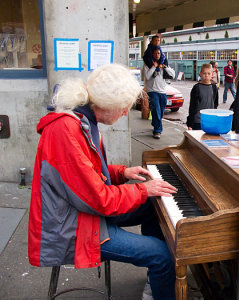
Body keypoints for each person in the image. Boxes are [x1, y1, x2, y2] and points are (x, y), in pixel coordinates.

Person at [28, 63, 177, 300]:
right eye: (124, 106)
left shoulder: (81, 118)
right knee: (163, 255)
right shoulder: (66, 130)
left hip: (84, 212)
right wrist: (141, 189)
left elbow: (83, 174)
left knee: (154, 206)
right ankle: (160, 274)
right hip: (74, 227)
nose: (126, 112)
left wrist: (120, 172)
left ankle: (157, 280)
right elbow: (99, 199)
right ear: (108, 103)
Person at [144, 48, 175, 139]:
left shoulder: (164, 64)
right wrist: (154, 66)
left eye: (159, 53)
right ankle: (157, 131)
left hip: (162, 91)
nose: (157, 55)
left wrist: (164, 67)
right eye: (155, 53)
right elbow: (147, 76)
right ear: (152, 55)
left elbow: (173, 75)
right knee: (156, 110)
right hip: (152, 91)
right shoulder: (148, 64)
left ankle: (155, 123)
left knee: (161, 111)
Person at [187, 63, 219, 130]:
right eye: (204, 73)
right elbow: (192, 107)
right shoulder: (196, 88)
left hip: (210, 121)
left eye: (209, 73)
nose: (206, 76)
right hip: (198, 122)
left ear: (212, 74)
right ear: (201, 74)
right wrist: (190, 124)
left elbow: (215, 104)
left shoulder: (214, 88)